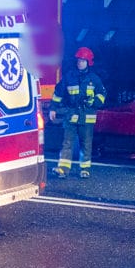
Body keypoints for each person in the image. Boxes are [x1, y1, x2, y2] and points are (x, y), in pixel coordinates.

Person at [50, 47, 107, 178]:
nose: (80, 63)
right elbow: (58, 93)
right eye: (79, 60)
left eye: (83, 60)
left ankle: (85, 169)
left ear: (89, 62)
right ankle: (63, 169)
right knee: (67, 142)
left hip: (87, 117)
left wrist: (94, 102)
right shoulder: (69, 77)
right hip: (71, 115)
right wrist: (53, 107)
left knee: (86, 144)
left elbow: (102, 94)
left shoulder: (94, 79)